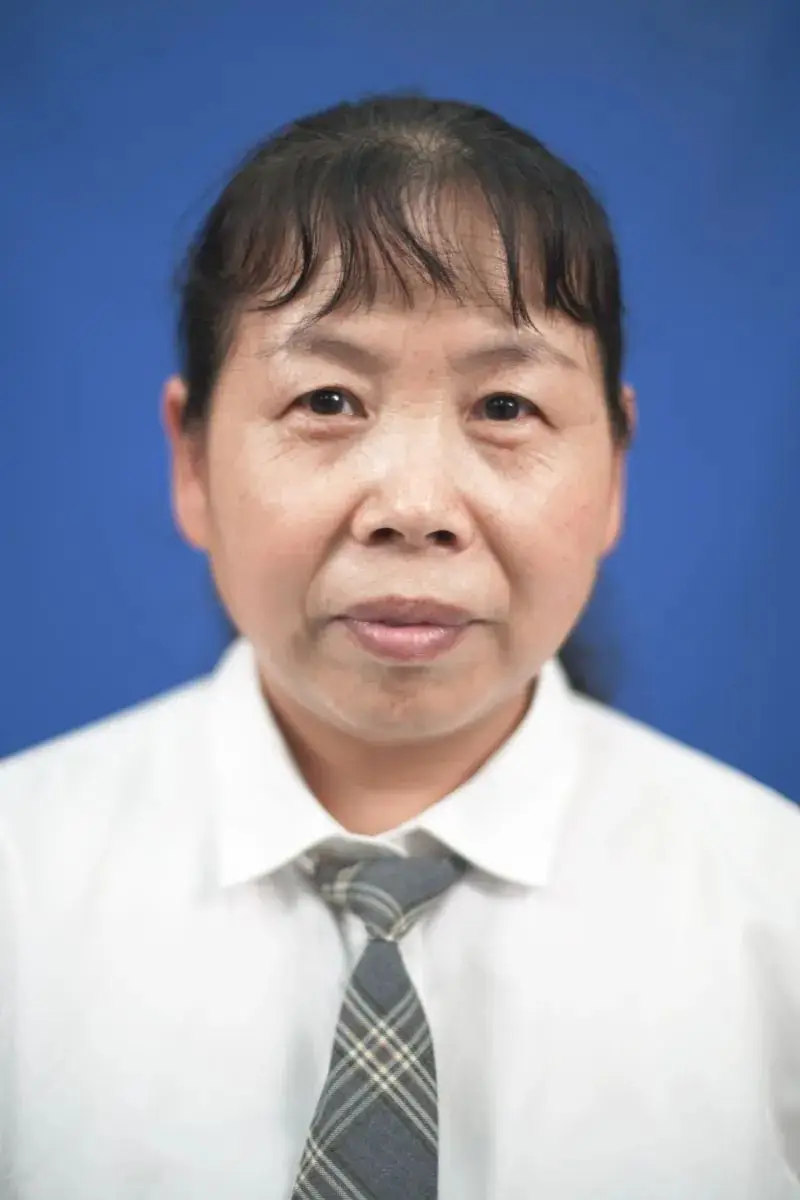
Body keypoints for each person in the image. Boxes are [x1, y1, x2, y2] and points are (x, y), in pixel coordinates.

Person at [1, 93, 798, 1200]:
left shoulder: (774, 908)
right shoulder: (20, 888)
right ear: (191, 463)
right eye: (327, 398)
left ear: (615, 468)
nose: (415, 507)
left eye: (505, 407)